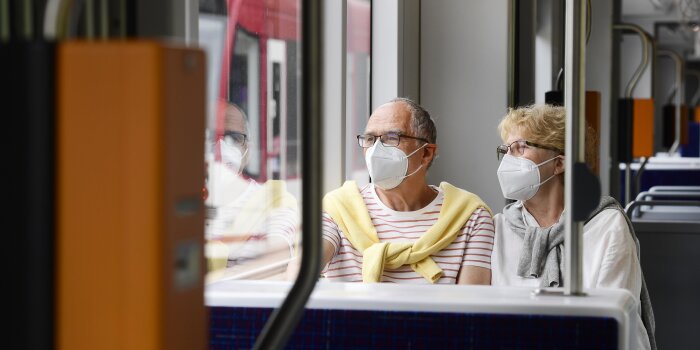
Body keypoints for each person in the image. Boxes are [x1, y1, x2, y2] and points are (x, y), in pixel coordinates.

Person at [491, 104, 655, 349]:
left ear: (559, 163)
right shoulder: (499, 228)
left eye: (520, 148)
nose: (507, 161)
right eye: (505, 150)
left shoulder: (607, 226)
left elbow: (612, 323)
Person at [318, 97, 494, 284]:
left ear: (426, 153)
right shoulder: (340, 209)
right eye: (370, 139)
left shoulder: (470, 217)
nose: (376, 150)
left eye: (392, 138)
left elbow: (470, 308)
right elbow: (300, 271)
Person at [205, 102, 299, 274]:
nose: (220, 148)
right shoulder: (178, 201)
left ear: (247, 149)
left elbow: (277, 261)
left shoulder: (273, 200)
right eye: (211, 137)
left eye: (233, 138)